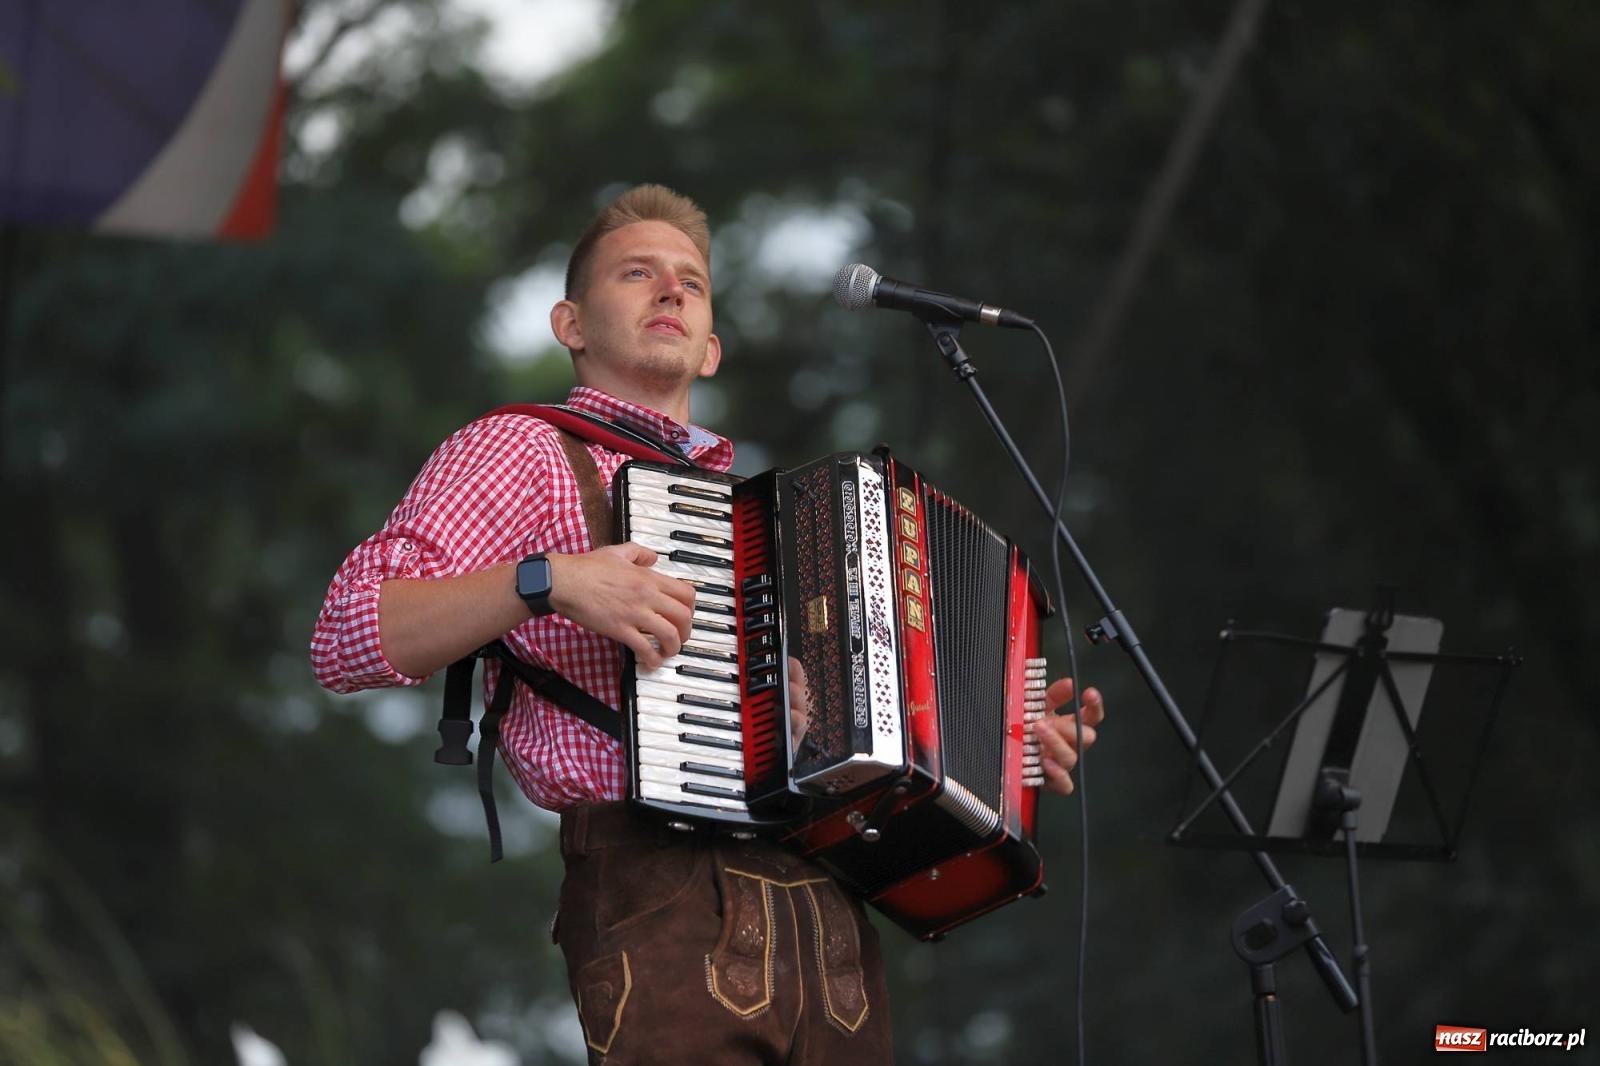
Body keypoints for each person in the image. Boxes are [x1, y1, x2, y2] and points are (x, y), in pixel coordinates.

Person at [310, 184, 1105, 1065]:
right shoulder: (523, 450)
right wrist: (546, 581)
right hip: (664, 890)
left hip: (827, 915)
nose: (671, 290)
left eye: (691, 281)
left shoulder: (751, 521)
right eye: (637, 273)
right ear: (570, 323)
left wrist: (993, 744)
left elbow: (843, 735)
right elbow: (348, 636)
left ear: (713, 348)